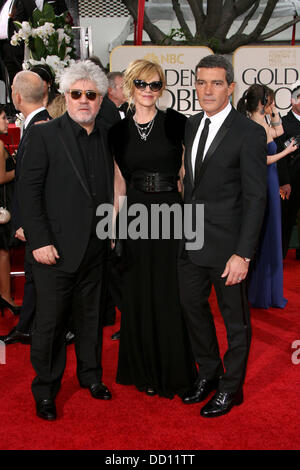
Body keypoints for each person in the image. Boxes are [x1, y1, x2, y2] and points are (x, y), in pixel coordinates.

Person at [18, 60, 113, 421]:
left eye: (91, 94)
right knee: (51, 322)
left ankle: (91, 376)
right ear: (66, 97)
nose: (84, 100)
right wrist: (39, 241)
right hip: (53, 250)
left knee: (91, 319)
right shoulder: (45, 134)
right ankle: (45, 389)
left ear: (101, 100)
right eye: (77, 93)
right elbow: (29, 192)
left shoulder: (106, 137)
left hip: (95, 246)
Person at [178, 54, 267, 418]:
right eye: (201, 82)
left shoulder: (249, 132)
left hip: (229, 248)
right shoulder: (191, 123)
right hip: (191, 240)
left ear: (231, 87)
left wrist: (243, 255)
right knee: (191, 307)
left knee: (235, 321)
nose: (207, 90)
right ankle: (209, 372)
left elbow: (256, 197)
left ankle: (232, 388)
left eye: (216, 83)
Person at [110, 59, 197, 399]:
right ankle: (142, 369)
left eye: (155, 84)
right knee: (138, 294)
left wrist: (191, 223)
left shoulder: (177, 123)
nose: (148, 91)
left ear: (162, 88)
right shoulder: (116, 132)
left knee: (169, 292)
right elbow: (118, 184)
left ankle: (173, 371)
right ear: (131, 86)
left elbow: (188, 176)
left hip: (170, 214)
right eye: (142, 84)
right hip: (133, 217)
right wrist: (113, 230)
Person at [0, 70, 51, 346]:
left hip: (37, 222)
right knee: (32, 275)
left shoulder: (41, 127)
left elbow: (34, 184)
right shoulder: (42, 123)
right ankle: (27, 325)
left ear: (16, 96)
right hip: (37, 221)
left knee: (38, 276)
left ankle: (34, 327)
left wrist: (25, 223)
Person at [237, 84, 297, 309]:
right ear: (262, 102)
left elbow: (279, 132)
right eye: (269, 100)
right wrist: (287, 152)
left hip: (271, 183)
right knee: (265, 233)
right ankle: (259, 291)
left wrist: (273, 113)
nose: (272, 103)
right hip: (262, 182)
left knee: (272, 232)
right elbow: (262, 159)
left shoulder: (262, 122)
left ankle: (266, 291)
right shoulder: (253, 126)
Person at [97, 71, 127, 340]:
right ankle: (122, 315)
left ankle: (119, 315)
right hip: (111, 198)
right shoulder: (107, 113)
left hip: (120, 198)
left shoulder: (115, 111)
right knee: (114, 263)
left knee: (115, 263)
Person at [276, 82, 300, 259]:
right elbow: (280, 156)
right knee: (286, 220)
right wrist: (284, 181)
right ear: (293, 100)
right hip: (291, 182)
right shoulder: (284, 123)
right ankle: (280, 256)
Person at [0, 104, 20, 315]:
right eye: (4, 118)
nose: (8, 122)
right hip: (2, 205)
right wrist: (18, 169)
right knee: (3, 253)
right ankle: (6, 297)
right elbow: (1, 177)